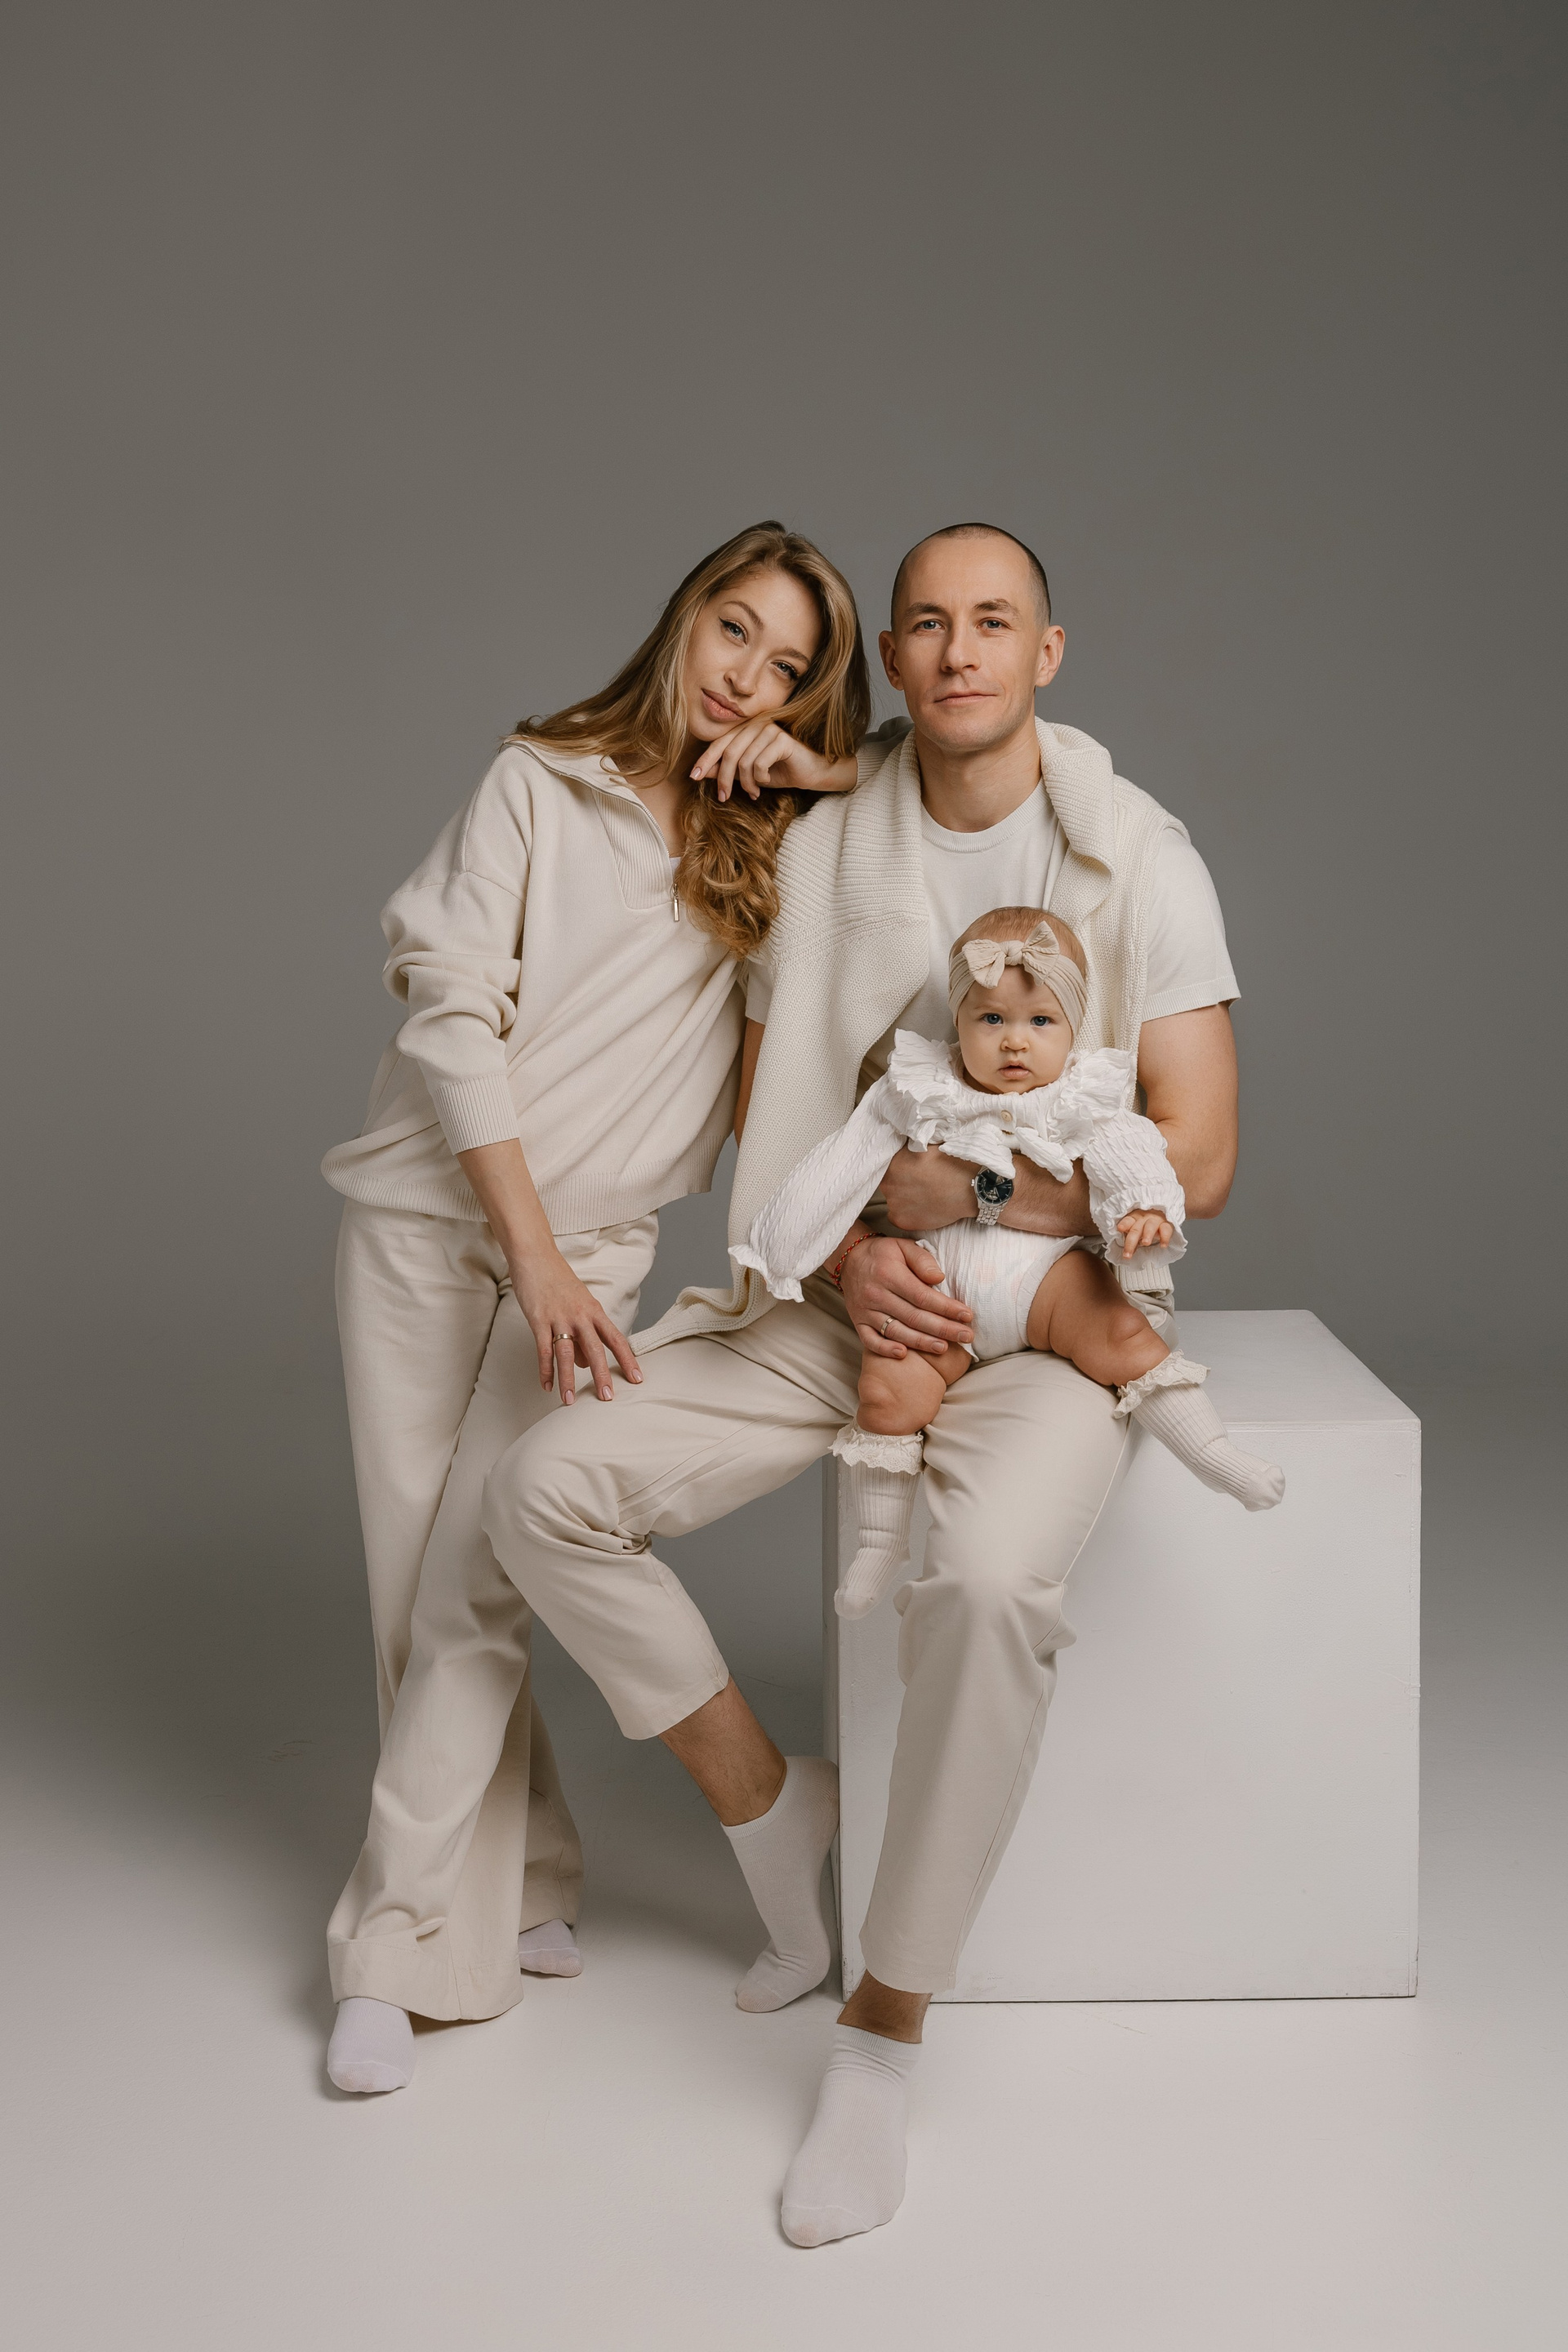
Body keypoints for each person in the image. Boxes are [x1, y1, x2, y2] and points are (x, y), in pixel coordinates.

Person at [479, 520, 1245, 2244]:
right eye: (928, 624)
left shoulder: (1142, 858)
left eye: (997, 621)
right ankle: (773, 1814)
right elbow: (775, 1125)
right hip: (845, 1302)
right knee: (542, 1492)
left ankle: (881, 2036)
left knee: (986, 1589)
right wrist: (846, 1256)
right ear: (892, 661)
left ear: (1048, 653)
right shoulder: (827, 842)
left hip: (1041, 1317)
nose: (962, 650)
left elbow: (1198, 1156)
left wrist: (960, 1199)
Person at [319, 520, 871, 2095]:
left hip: (600, 1247)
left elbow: (935, 788)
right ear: (684, 618)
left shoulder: (777, 840)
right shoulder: (537, 781)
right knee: (415, 1586)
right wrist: (533, 1255)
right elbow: (449, 1009)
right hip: (427, 1220)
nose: (746, 679)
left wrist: (823, 772)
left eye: (789, 669)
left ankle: (392, 1951)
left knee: (474, 1587)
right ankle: (528, 1879)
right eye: (733, 631)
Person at [734, 903, 1281, 1621]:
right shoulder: (915, 1088)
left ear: (1072, 1027)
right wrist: (786, 1241)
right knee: (887, 1395)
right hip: (941, 1294)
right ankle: (879, 1543)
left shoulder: (1081, 1094)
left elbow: (1131, 1152)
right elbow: (839, 1166)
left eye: (1040, 1022)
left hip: (1044, 1281)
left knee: (1122, 1334)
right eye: (991, 1019)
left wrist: (1143, 1206)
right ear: (958, 1019)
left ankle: (1212, 1453)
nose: (1015, 1041)